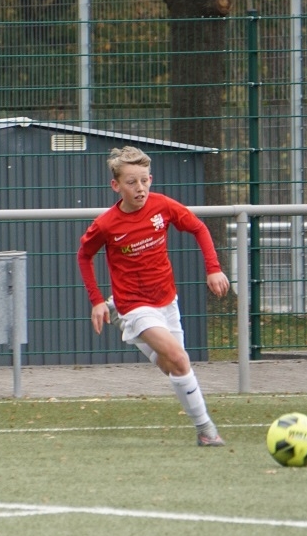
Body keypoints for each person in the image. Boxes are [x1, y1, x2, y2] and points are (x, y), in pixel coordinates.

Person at [77, 145, 230, 447]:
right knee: (179, 359)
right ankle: (206, 430)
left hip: (167, 301)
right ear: (116, 186)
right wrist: (95, 300)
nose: (140, 188)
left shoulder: (162, 206)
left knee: (172, 366)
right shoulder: (106, 224)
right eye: (131, 182)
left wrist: (213, 269)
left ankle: (116, 314)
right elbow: (84, 255)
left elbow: (199, 228)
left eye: (144, 180)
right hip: (135, 305)